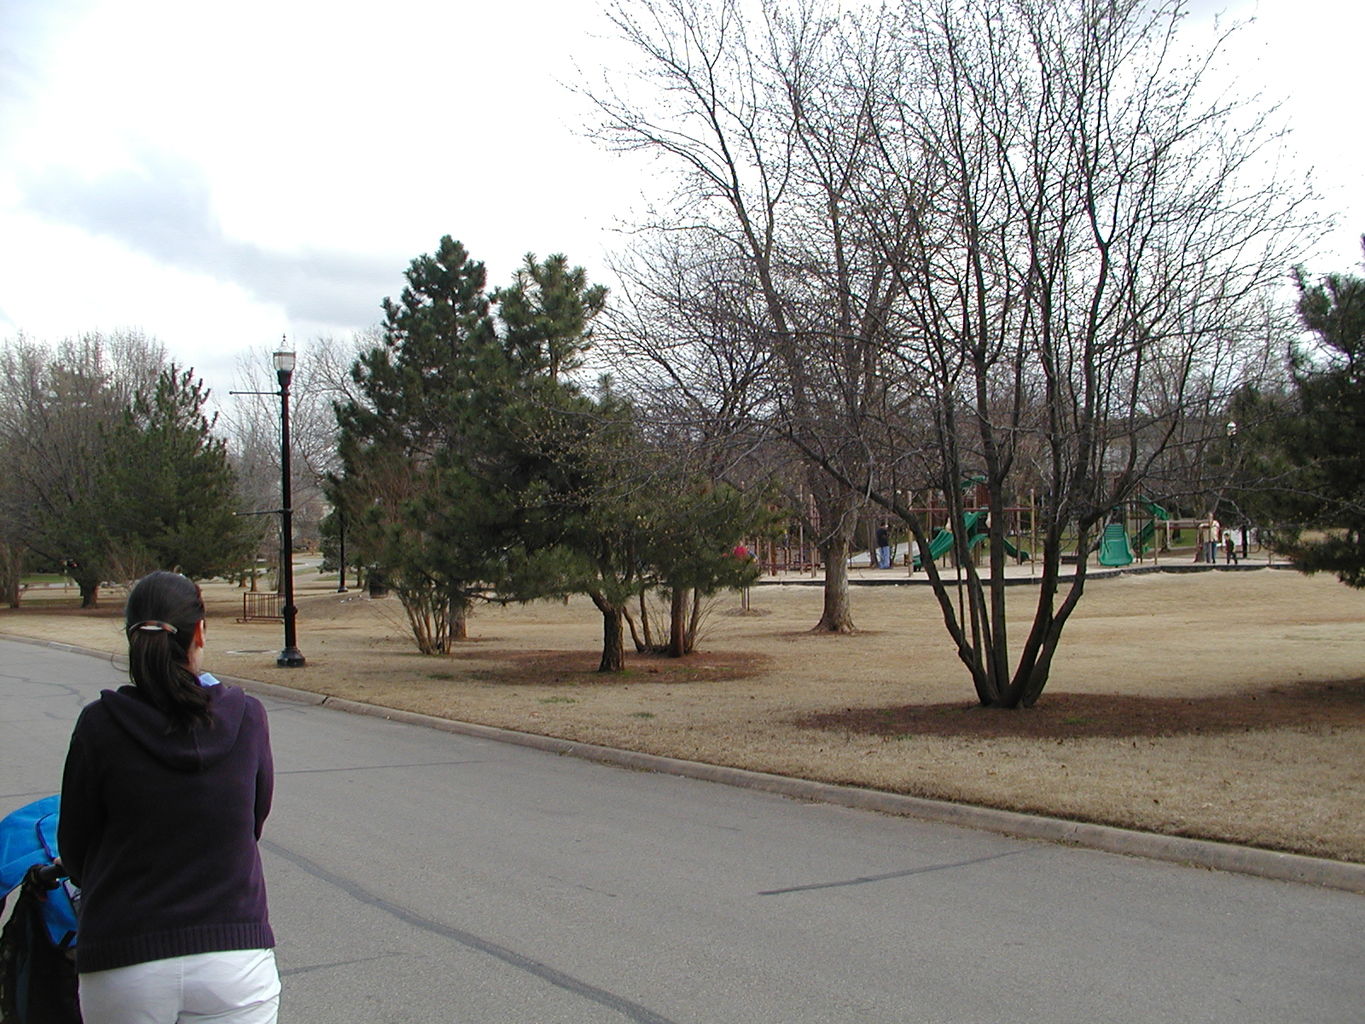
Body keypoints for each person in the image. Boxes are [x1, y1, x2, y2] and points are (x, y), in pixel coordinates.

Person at [58, 571, 279, 1023]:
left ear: (131, 638)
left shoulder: (100, 725)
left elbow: (75, 850)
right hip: (234, 958)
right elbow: (251, 823)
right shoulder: (247, 717)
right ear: (199, 632)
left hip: (124, 960)